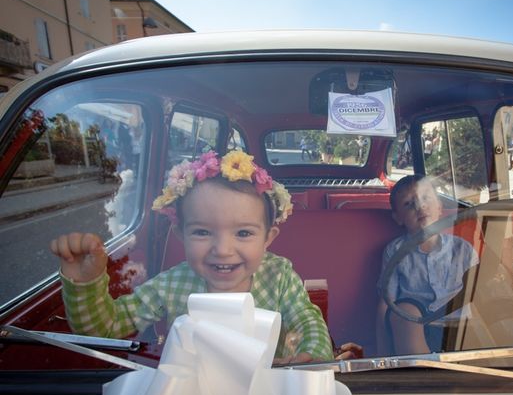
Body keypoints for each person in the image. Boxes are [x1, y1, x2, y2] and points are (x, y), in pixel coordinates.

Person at [50, 150, 333, 364]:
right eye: (202, 232)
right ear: (180, 233)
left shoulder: (280, 277)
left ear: (268, 238)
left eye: (244, 234)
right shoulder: (172, 285)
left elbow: (307, 321)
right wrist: (86, 284)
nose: (222, 249)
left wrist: (313, 357)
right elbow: (107, 328)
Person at [376, 174, 478, 355]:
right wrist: (382, 354)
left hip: (460, 330)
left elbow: (479, 297)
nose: (419, 206)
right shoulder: (395, 252)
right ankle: (423, 374)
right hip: (418, 329)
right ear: (398, 218)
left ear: (439, 207)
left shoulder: (463, 249)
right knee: (404, 310)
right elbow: (386, 303)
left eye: (425, 198)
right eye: (408, 204)